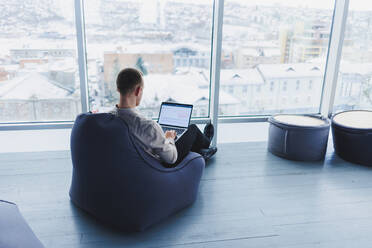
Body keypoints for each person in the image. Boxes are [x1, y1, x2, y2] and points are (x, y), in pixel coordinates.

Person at [110, 68, 217, 166]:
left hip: (127, 163)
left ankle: (202, 149)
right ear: (138, 91)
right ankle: (206, 144)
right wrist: (169, 138)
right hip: (158, 165)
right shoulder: (148, 126)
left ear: (118, 89)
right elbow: (171, 158)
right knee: (192, 129)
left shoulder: (107, 118)